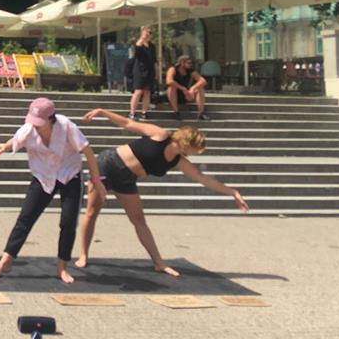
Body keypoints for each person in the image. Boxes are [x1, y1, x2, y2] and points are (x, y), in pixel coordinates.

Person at [75, 107, 248, 276]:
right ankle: (83, 255)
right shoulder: (160, 135)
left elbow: (201, 177)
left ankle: (159, 263)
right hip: (108, 165)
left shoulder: (178, 161)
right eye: (196, 150)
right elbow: (128, 123)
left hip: (127, 179)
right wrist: (102, 112)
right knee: (91, 212)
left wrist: (232, 192)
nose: (196, 154)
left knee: (138, 219)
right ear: (187, 144)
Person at [0, 98, 106, 284]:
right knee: (25, 218)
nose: (35, 127)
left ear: (51, 119)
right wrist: (4, 147)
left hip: (69, 174)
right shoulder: (28, 129)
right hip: (43, 176)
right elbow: (16, 139)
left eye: (39, 123)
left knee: (68, 221)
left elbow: (87, 151)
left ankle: (62, 267)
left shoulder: (66, 126)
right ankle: (5, 261)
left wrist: (97, 181)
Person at [166, 55, 210, 121]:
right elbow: (169, 81)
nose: (190, 65)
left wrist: (192, 88)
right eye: (188, 63)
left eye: (191, 63)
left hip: (185, 94)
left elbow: (203, 81)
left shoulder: (190, 70)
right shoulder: (173, 69)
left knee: (200, 89)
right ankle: (176, 112)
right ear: (182, 63)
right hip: (173, 94)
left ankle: (201, 114)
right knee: (171, 88)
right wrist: (182, 88)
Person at [129, 25, 156, 120]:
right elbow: (137, 48)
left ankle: (144, 112)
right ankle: (132, 112)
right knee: (138, 91)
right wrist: (142, 37)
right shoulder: (139, 44)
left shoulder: (152, 46)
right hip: (140, 71)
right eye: (147, 32)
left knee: (147, 92)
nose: (148, 34)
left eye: (150, 32)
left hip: (150, 70)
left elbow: (154, 59)